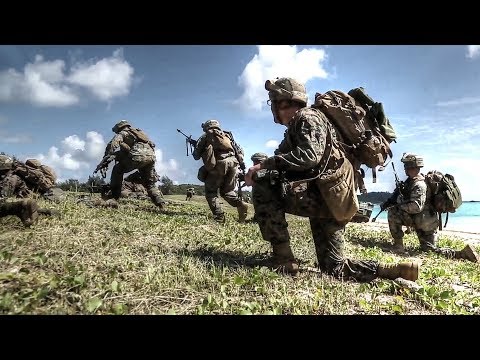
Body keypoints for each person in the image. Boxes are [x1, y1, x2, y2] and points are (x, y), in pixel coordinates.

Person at [244, 77, 419, 282]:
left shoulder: (307, 117)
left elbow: (309, 156)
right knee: (333, 267)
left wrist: (262, 168)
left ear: (282, 102)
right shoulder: (307, 123)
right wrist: (269, 164)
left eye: (274, 102)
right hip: (334, 202)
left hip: (319, 198)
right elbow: (288, 158)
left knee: (263, 182)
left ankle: (283, 259)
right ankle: (391, 270)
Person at [381, 153, 479, 262]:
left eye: (407, 167)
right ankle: (462, 254)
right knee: (430, 250)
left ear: (412, 167)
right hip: (428, 222)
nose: (405, 169)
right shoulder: (415, 181)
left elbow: (416, 207)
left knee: (393, 211)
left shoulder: (419, 185)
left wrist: (399, 202)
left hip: (421, 221)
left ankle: (398, 246)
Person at [95, 120, 165, 208]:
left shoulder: (124, 133)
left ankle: (113, 198)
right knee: (149, 183)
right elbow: (124, 152)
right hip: (151, 158)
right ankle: (160, 203)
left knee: (118, 169)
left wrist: (105, 158)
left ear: (119, 128)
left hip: (138, 156)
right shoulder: (139, 134)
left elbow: (112, 144)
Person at [192, 119, 248, 223]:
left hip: (219, 165)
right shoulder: (227, 136)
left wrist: (196, 146)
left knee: (211, 192)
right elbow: (239, 151)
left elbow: (196, 156)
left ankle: (219, 217)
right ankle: (240, 204)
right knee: (227, 191)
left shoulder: (205, 136)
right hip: (233, 163)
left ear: (206, 127)